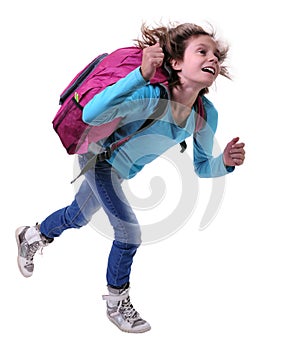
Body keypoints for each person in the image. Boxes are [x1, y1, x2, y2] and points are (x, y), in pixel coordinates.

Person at [15, 22, 246, 333]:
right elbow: (90, 114)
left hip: (122, 172)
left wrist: (225, 163)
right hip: (100, 160)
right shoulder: (150, 95)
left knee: (78, 216)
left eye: (216, 55)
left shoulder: (205, 115)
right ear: (176, 63)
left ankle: (31, 236)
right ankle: (117, 302)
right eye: (202, 51)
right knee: (129, 232)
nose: (213, 59)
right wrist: (139, 75)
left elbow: (203, 166)